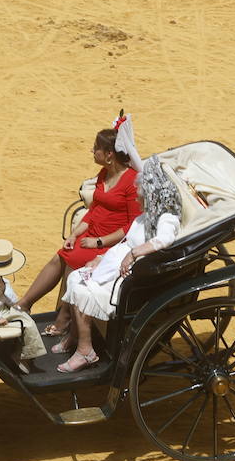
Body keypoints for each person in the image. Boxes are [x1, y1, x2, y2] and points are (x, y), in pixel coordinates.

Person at [14, 116, 143, 333]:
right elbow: (94, 211)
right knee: (60, 255)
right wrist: (75, 234)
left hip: (112, 242)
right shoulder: (104, 173)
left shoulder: (131, 181)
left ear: (109, 155)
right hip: (93, 235)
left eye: (96, 149)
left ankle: (64, 320)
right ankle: (24, 303)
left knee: (73, 259)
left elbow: (132, 226)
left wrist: (99, 241)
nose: (93, 152)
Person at [54, 155, 182, 372]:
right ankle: (76, 337)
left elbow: (164, 239)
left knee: (83, 291)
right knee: (76, 278)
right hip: (112, 268)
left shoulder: (166, 218)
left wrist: (133, 253)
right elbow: (125, 241)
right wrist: (101, 258)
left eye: (141, 196)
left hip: (127, 278)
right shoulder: (145, 216)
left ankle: (86, 352)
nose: (137, 199)